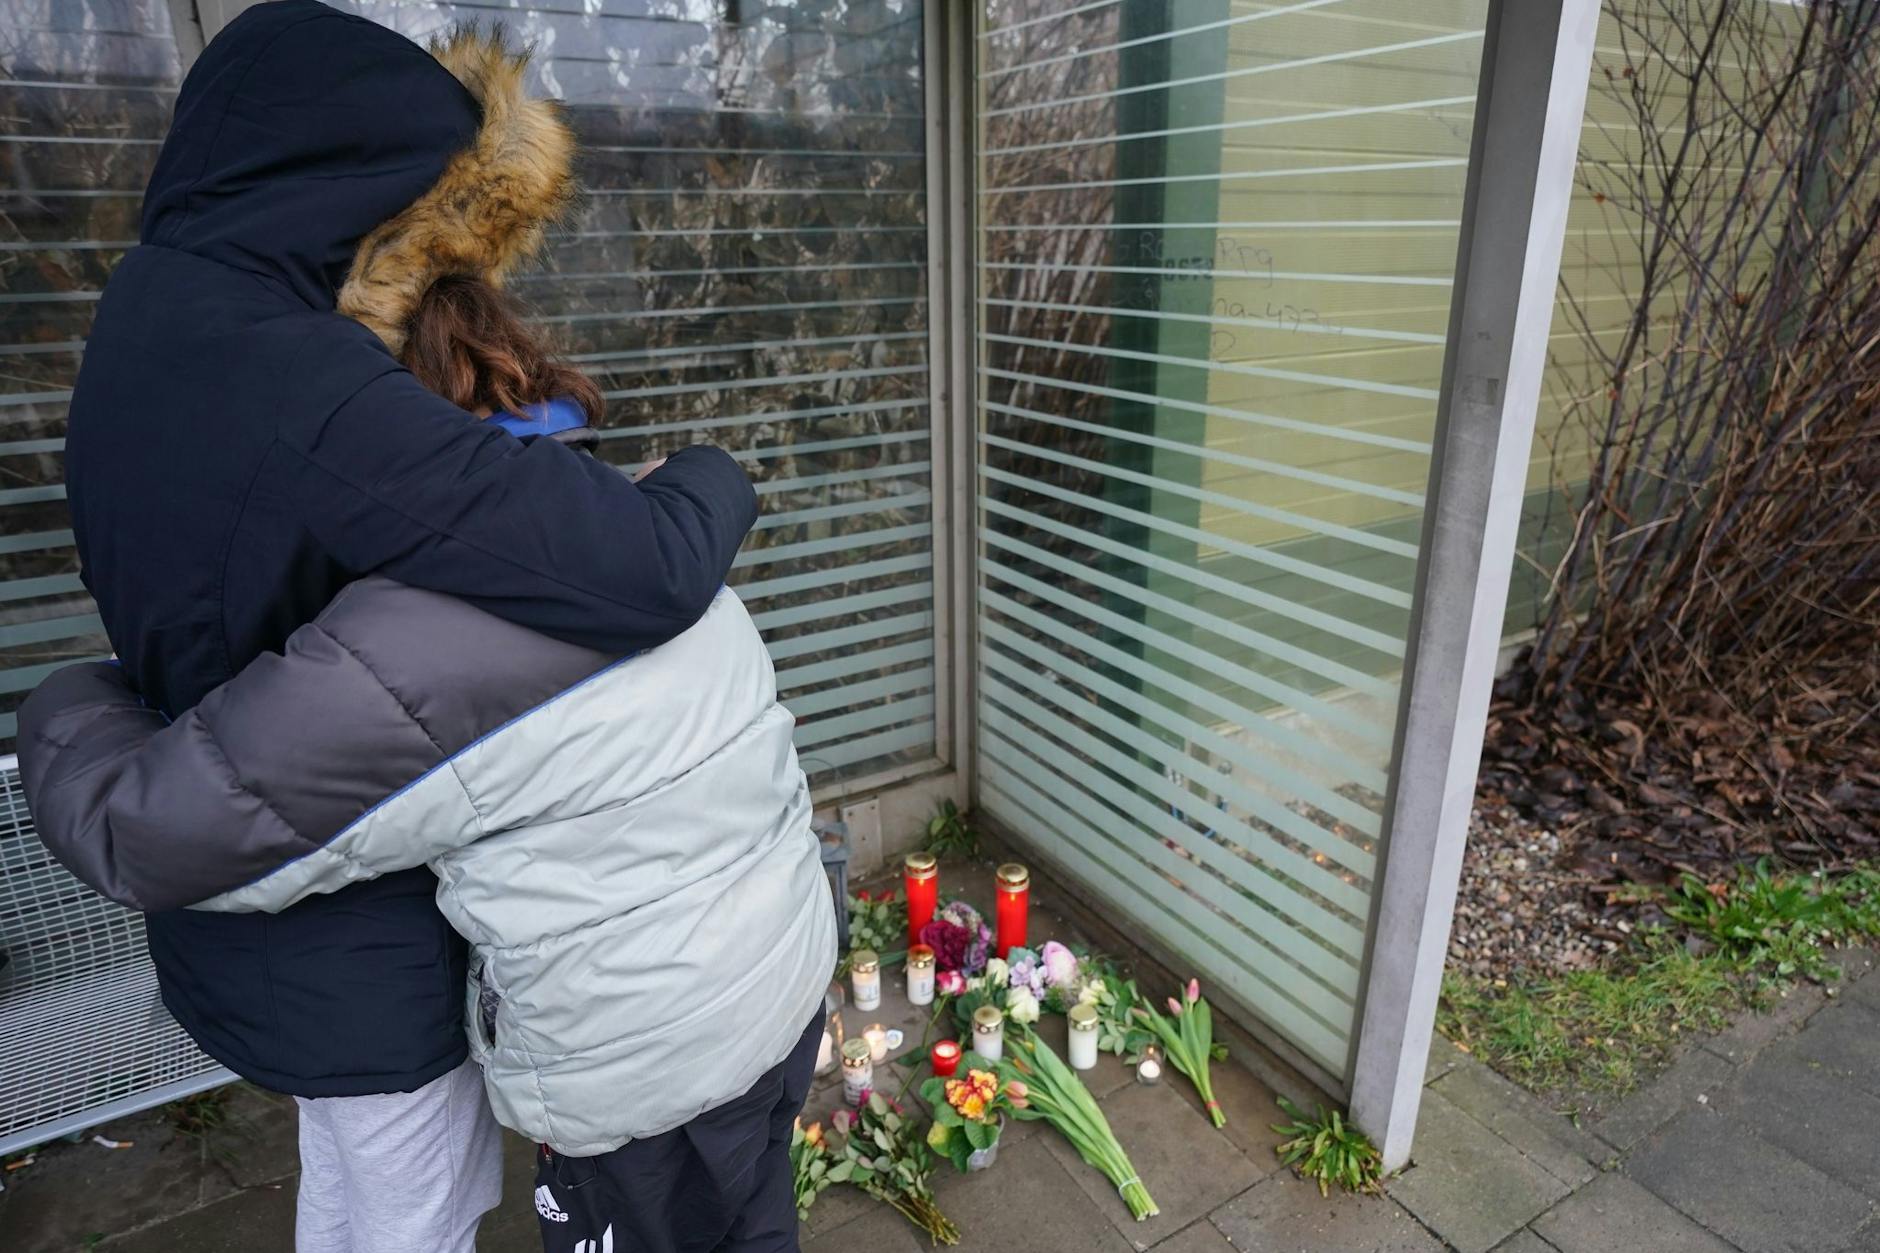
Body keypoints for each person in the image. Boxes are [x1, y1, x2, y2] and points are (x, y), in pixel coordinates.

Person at [25, 3, 770, 1249]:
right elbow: (642, 565)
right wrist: (711, 473)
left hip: (252, 893)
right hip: (355, 931)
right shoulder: (297, 380)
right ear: (341, 171)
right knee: (411, 1213)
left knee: (353, 1190)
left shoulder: (147, 318)